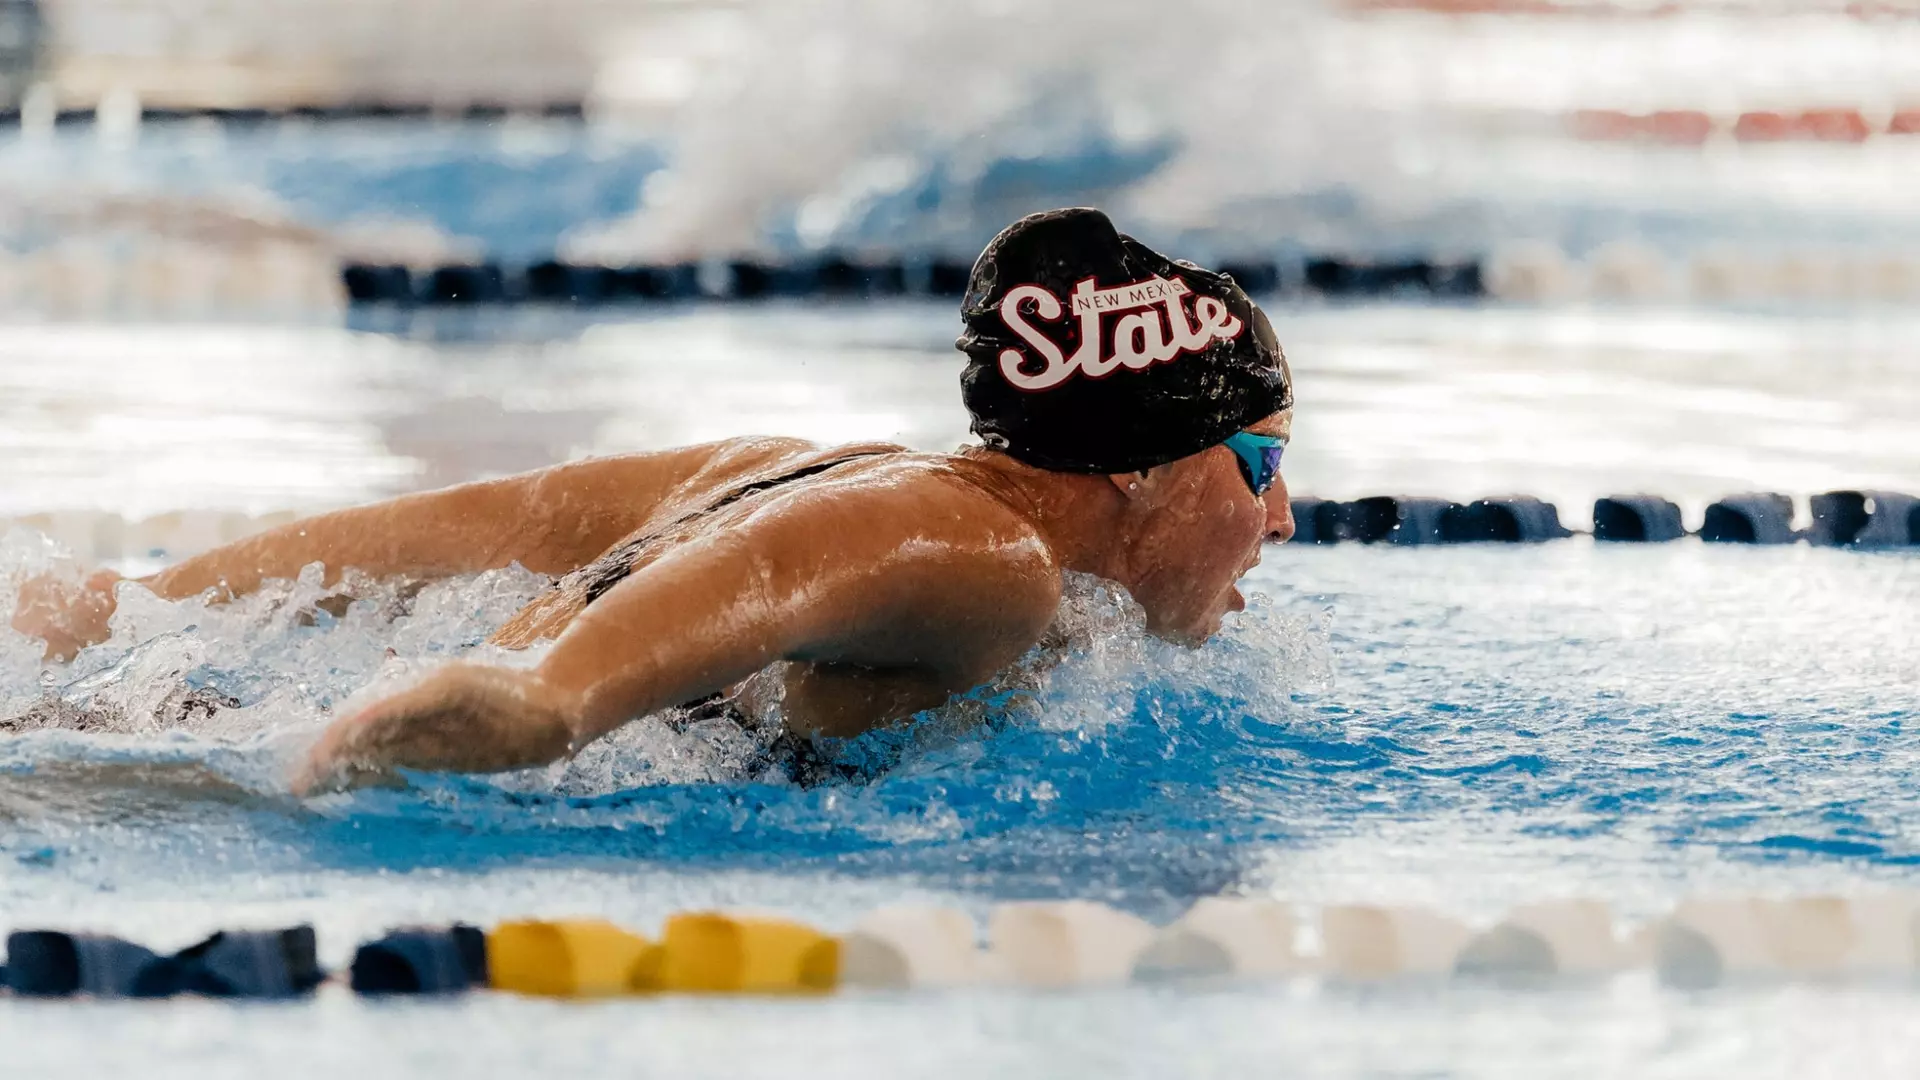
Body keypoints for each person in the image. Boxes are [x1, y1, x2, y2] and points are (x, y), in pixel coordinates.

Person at [8, 207, 1295, 794]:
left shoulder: (806, 459)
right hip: (233, 766)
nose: (1283, 517)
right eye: (1261, 462)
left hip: (208, 710)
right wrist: (504, 715)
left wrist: (131, 599)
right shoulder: (979, 555)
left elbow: (486, 524)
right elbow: (570, 688)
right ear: (1141, 460)